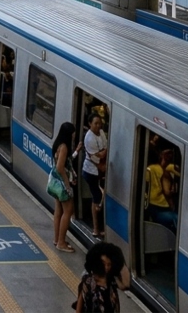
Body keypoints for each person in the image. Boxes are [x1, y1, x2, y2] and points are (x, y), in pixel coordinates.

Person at [74, 242, 131, 313]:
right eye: (103, 263)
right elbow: (80, 301)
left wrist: (121, 262)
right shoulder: (88, 280)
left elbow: (125, 285)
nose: (106, 267)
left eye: (109, 264)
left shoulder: (111, 279)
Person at [52, 121, 78, 252]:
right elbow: (60, 167)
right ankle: (61, 243)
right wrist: (67, 184)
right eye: (73, 134)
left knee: (59, 211)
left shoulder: (58, 144)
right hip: (62, 183)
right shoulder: (64, 147)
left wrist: (77, 151)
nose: (74, 136)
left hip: (56, 183)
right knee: (68, 211)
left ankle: (57, 239)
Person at [82, 113, 108, 239]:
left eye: (99, 123)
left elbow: (104, 150)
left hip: (99, 170)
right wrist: (102, 153)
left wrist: (102, 153)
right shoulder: (89, 138)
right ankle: (96, 228)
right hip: (90, 171)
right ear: (90, 124)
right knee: (97, 197)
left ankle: (98, 226)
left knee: (99, 196)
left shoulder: (101, 133)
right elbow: (98, 155)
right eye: (95, 123)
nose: (98, 126)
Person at [144, 147, 179, 233]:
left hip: (159, 205)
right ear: (161, 155)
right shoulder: (152, 169)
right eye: (166, 154)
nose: (168, 156)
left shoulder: (168, 168)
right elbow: (167, 192)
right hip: (156, 207)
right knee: (175, 219)